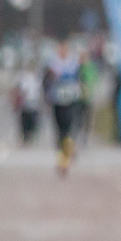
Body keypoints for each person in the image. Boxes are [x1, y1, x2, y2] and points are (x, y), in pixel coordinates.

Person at [46, 42, 84, 176]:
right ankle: (67, 154)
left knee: (67, 131)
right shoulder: (53, 64)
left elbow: (80, 80)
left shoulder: (73, 64)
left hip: (70, 101)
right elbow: (47, 81)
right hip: (57, 102)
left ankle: (64, 160)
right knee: (60, 132)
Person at [13, 61, 44, 145]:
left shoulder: (37, 77)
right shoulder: (22, 76)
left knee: (33, 121)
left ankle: (31, 135)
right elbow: (18, 89)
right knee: (24, 121)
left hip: (34, 103)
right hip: (24, 103)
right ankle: (25, 137)